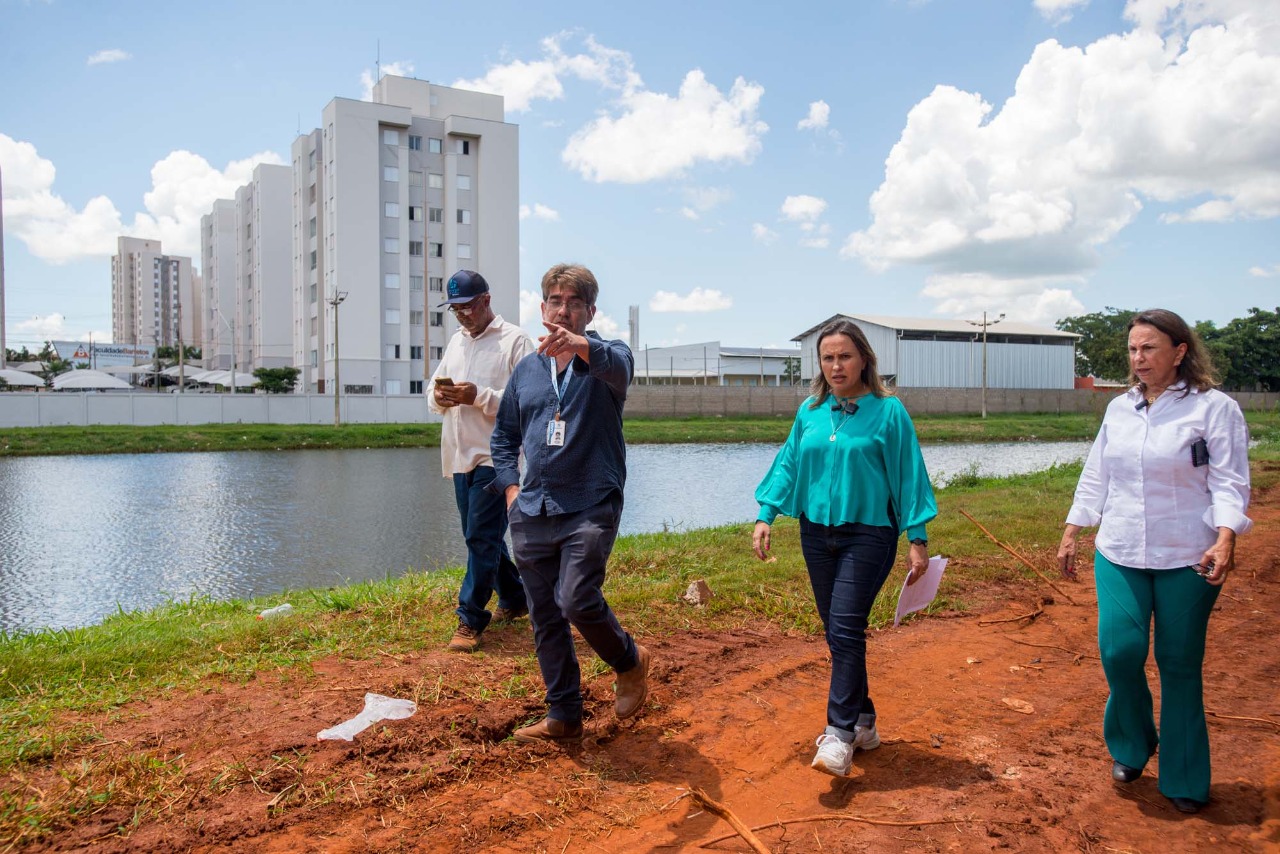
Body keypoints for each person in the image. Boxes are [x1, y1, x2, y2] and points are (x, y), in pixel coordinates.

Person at [1057, 308, 1251, 814]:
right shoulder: (1119, 409)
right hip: (1119, 549)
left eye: (1149, 349)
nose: (1138, 359)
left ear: (1180, 352)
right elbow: (1097, 472)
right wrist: (1074, 528)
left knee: (1179, 662)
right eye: (1133, 350)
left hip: (1189, 553)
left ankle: (1185, 775)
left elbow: (1229, 480)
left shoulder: (1214, 408)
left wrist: (1226, 536)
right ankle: (1132, 743)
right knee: (1120, 653)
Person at [753, 319, 936, 778]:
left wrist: (917, 540)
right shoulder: (811, 411)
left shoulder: (889, 412)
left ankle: (838, 735)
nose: (836, 365)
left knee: (846, 628)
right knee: (838, 632)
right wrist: (766, 514)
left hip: (869, 534)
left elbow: (909, 473)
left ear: (864, 360)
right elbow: (789, 463)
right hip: (817, 534)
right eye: (828, 357)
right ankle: (865, 720)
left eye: (845, 356)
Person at [490, 263, 650, 743]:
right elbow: (503, 438)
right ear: (542, 309)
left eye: (573, 303)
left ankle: (628, 659)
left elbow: (616, 366)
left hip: (590, 502)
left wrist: (581, 346)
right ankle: (563, 715)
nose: (563, 310)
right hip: (533, 510)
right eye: (555, 301)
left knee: (576, 597)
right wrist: (512, 493)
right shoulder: (527, 370)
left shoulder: (608, 357)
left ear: (589, 311)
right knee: (544, 616)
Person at [429, 270, 536, 653]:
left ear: (487, 300)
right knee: (482, 537)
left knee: (480, 536)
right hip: (459, 454)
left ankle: (470, 618)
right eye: (454, 309)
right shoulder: (456, 343)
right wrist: (438, 398)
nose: (461, 315)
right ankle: (516, 596)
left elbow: (529, 401)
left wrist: (479, 396)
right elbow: (433, 388)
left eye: (467, 307)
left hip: (497, 454)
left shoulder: (516, 341)